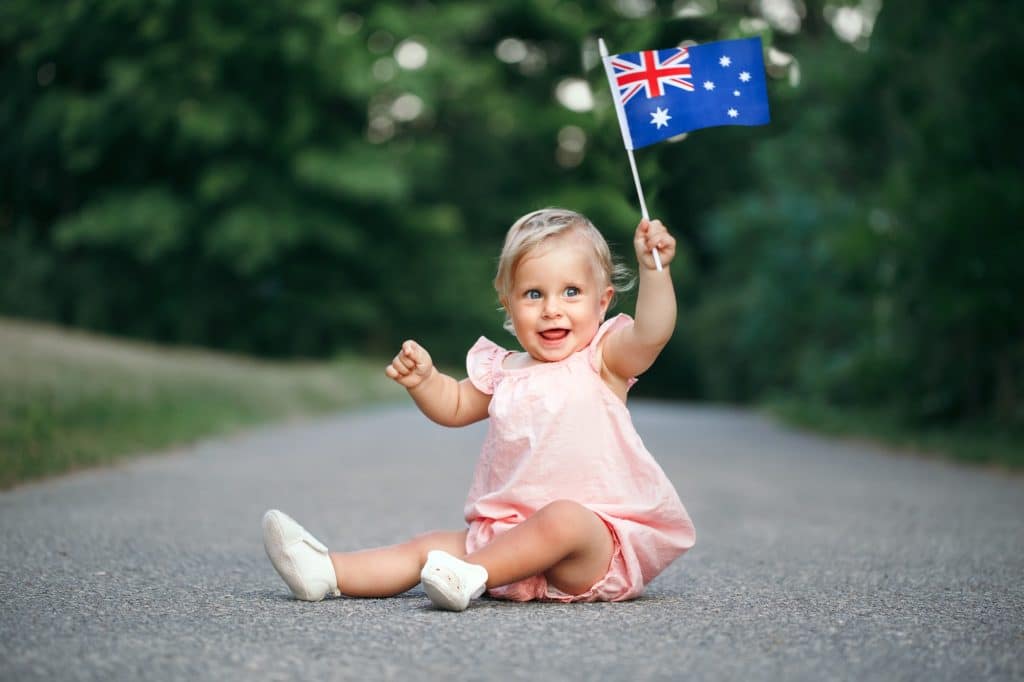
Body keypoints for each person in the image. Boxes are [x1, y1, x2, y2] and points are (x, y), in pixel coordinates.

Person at [262, 208, 695, 611]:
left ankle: (470, 575)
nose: (551, 309)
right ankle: (327, 570)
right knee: (428, 548)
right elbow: (453, 405)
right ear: (507, 303)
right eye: (532, 294)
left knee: (564, 518)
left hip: (588, 548)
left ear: (602, 302)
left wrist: (654, 269)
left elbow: (652, 333)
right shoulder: (503, 370)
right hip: (507, 538)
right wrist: (425, 381)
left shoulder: (603, 359)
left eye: (571, 292)